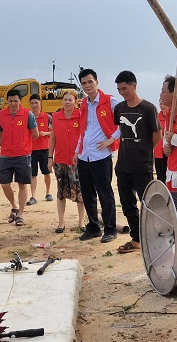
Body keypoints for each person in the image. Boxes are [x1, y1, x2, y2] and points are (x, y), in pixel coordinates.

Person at [113, 70, 160, 254]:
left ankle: (154, 235)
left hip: (142, 165)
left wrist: (145, 150)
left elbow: (157, 134)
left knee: (147, 202)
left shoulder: (148, 108)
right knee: (127, 203)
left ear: (134, 85)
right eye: (118, 89)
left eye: (124, 88)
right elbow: (119, 131)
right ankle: (136, 238)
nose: (122, 92)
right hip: (123, 164)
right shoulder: (119, 109)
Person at [74, 68, 119, 242]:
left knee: (105, 193)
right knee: (87, 193)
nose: (87, 86)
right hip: (85, 155)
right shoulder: (84, 103)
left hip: (101, 156)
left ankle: (110, 228)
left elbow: (124, 122)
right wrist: (77, 151)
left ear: (97, 82)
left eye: (90, 82)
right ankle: (93, 227)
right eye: (84, 83)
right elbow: (83, 129)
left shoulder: (110, 101)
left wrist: (111, 139)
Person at [0, 89, 39, 225]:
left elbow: (35, 133)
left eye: (16, 101)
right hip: (6, 155)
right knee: (5, 184)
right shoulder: (1, 115)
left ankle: (20, 214)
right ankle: (14, 205)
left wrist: (23, 144)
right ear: (7, 101)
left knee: (22, 185)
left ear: (20, 101)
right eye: (10, 101)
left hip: (23, 155)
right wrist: (6, 144)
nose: (13, 104)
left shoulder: (27, 114)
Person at [48, 90, 85, 233]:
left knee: (80, 192)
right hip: (60, 160)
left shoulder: (81, 116)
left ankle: (81, 222)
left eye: (70, 100)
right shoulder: (55, 117)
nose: (67, 102)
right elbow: (52, 139)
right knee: (61, 192)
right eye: (65, 99)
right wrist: (50, 158)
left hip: (77, 160)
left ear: (75, 101)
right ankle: (61, 222)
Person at [28, 94, 53, 205]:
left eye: (36, 103)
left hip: (44, 149)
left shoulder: (48, 117)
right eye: (32, 103)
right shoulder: (27, 117)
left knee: (46, 173)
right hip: (31, 150)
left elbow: (54, 132)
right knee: (32, 174)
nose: (34, 105)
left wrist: (45, 133)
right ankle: (33, 196)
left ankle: (48, 193)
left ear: (40, 103)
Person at [154, 103, 169, 183]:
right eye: (161, 104)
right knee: (161, 176)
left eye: (164, 104)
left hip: (170, 151)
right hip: (158, 151)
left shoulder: (173, 117)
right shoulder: (156, 117)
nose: (163, 106)